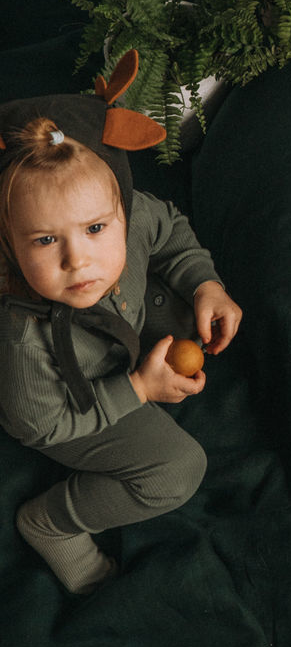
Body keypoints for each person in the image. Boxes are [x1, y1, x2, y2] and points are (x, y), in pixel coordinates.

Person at [0, 50, 242, 592]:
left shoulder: (129, 221)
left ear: (121, 209)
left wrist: (207, 284)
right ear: (9, 245)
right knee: (176, 469)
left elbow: (171, 229)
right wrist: (136, 389)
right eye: (44, 240)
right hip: (79, 399)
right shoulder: (24, 338)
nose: (78, 261)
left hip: (125, 333)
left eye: (94, 229)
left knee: (188, 301)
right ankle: (53, 524)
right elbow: (39, 426)